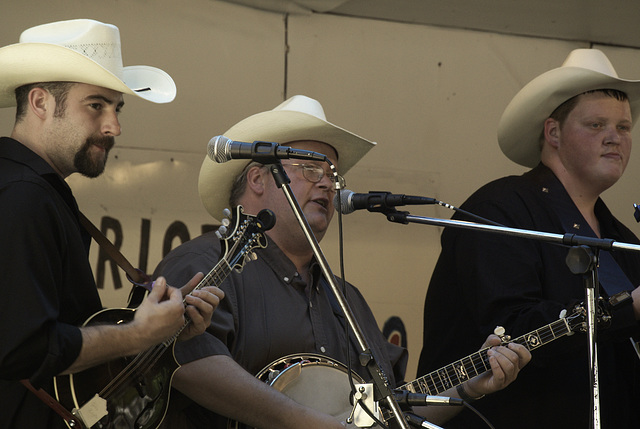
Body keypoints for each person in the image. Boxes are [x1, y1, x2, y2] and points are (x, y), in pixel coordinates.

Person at [153, 95, 531, 429]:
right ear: (257, 178)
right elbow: (184, 360)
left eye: (334, 175)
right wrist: (309, 423)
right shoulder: (205, 262)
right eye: (311, 168)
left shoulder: (346, 299)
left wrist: (467, 385)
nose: (328, 185)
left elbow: (387, 413)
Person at [0, 19, 224, 428]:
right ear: (40, 103)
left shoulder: (37, 192)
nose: (114, 127)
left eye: (117, 108)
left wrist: (162, 332)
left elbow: (61, 344)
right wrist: (139, 333)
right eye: (96, 105)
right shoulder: (22, 195)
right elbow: (23, 349)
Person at [418, 48, 640, 428]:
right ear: (552, 132)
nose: (613, 138)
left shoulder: (622, 236)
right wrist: (628, 308)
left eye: (623, 127)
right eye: (595, 125)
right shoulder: (499, 209)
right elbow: (512, 329)